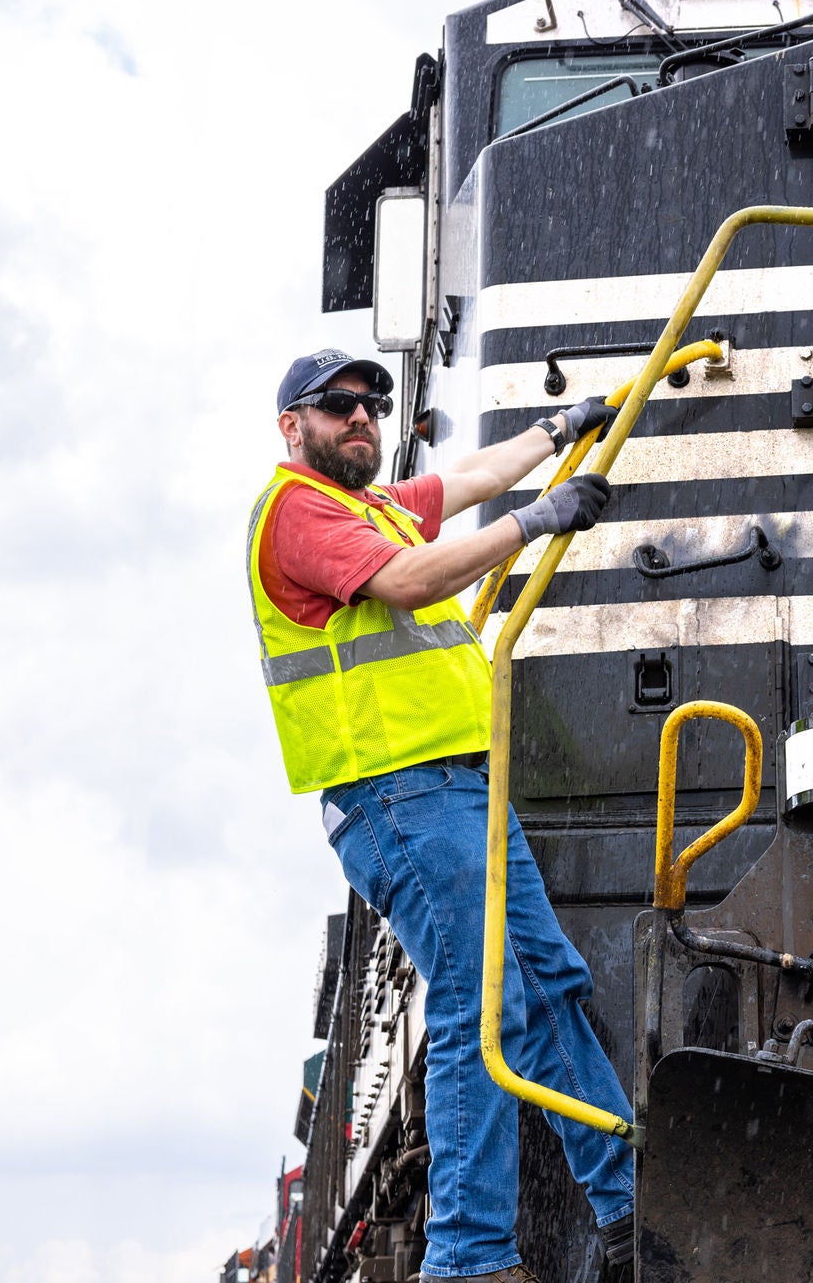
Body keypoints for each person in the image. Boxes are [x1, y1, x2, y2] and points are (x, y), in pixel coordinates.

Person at [245, 349, 634, 1282]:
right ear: (292, 426)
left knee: (544, 987)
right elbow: (413, 581)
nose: (363, 416)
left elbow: (465, 478)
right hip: (398, 794)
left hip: (464, 789)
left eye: (374, 402)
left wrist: (560, 428)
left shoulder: (370, 504)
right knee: (480, 997)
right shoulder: (296, 511)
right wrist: (537, 521)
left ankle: (628, 1201)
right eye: (337, 405)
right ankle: (465, 1258)